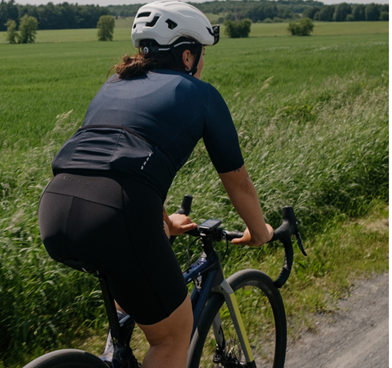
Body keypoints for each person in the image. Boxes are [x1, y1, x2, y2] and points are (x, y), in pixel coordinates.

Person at [36, 1, 273, 367]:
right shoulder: (201, 95)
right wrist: (260, 232)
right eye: (202, 53)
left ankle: (113, 355)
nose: (203, 62)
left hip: (56, 208)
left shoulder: (115, 83)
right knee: (173, 336)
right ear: (187, 55)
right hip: (118, 215)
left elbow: (118, 164)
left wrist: (163, 222)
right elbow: (238, 183)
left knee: (129, 279)